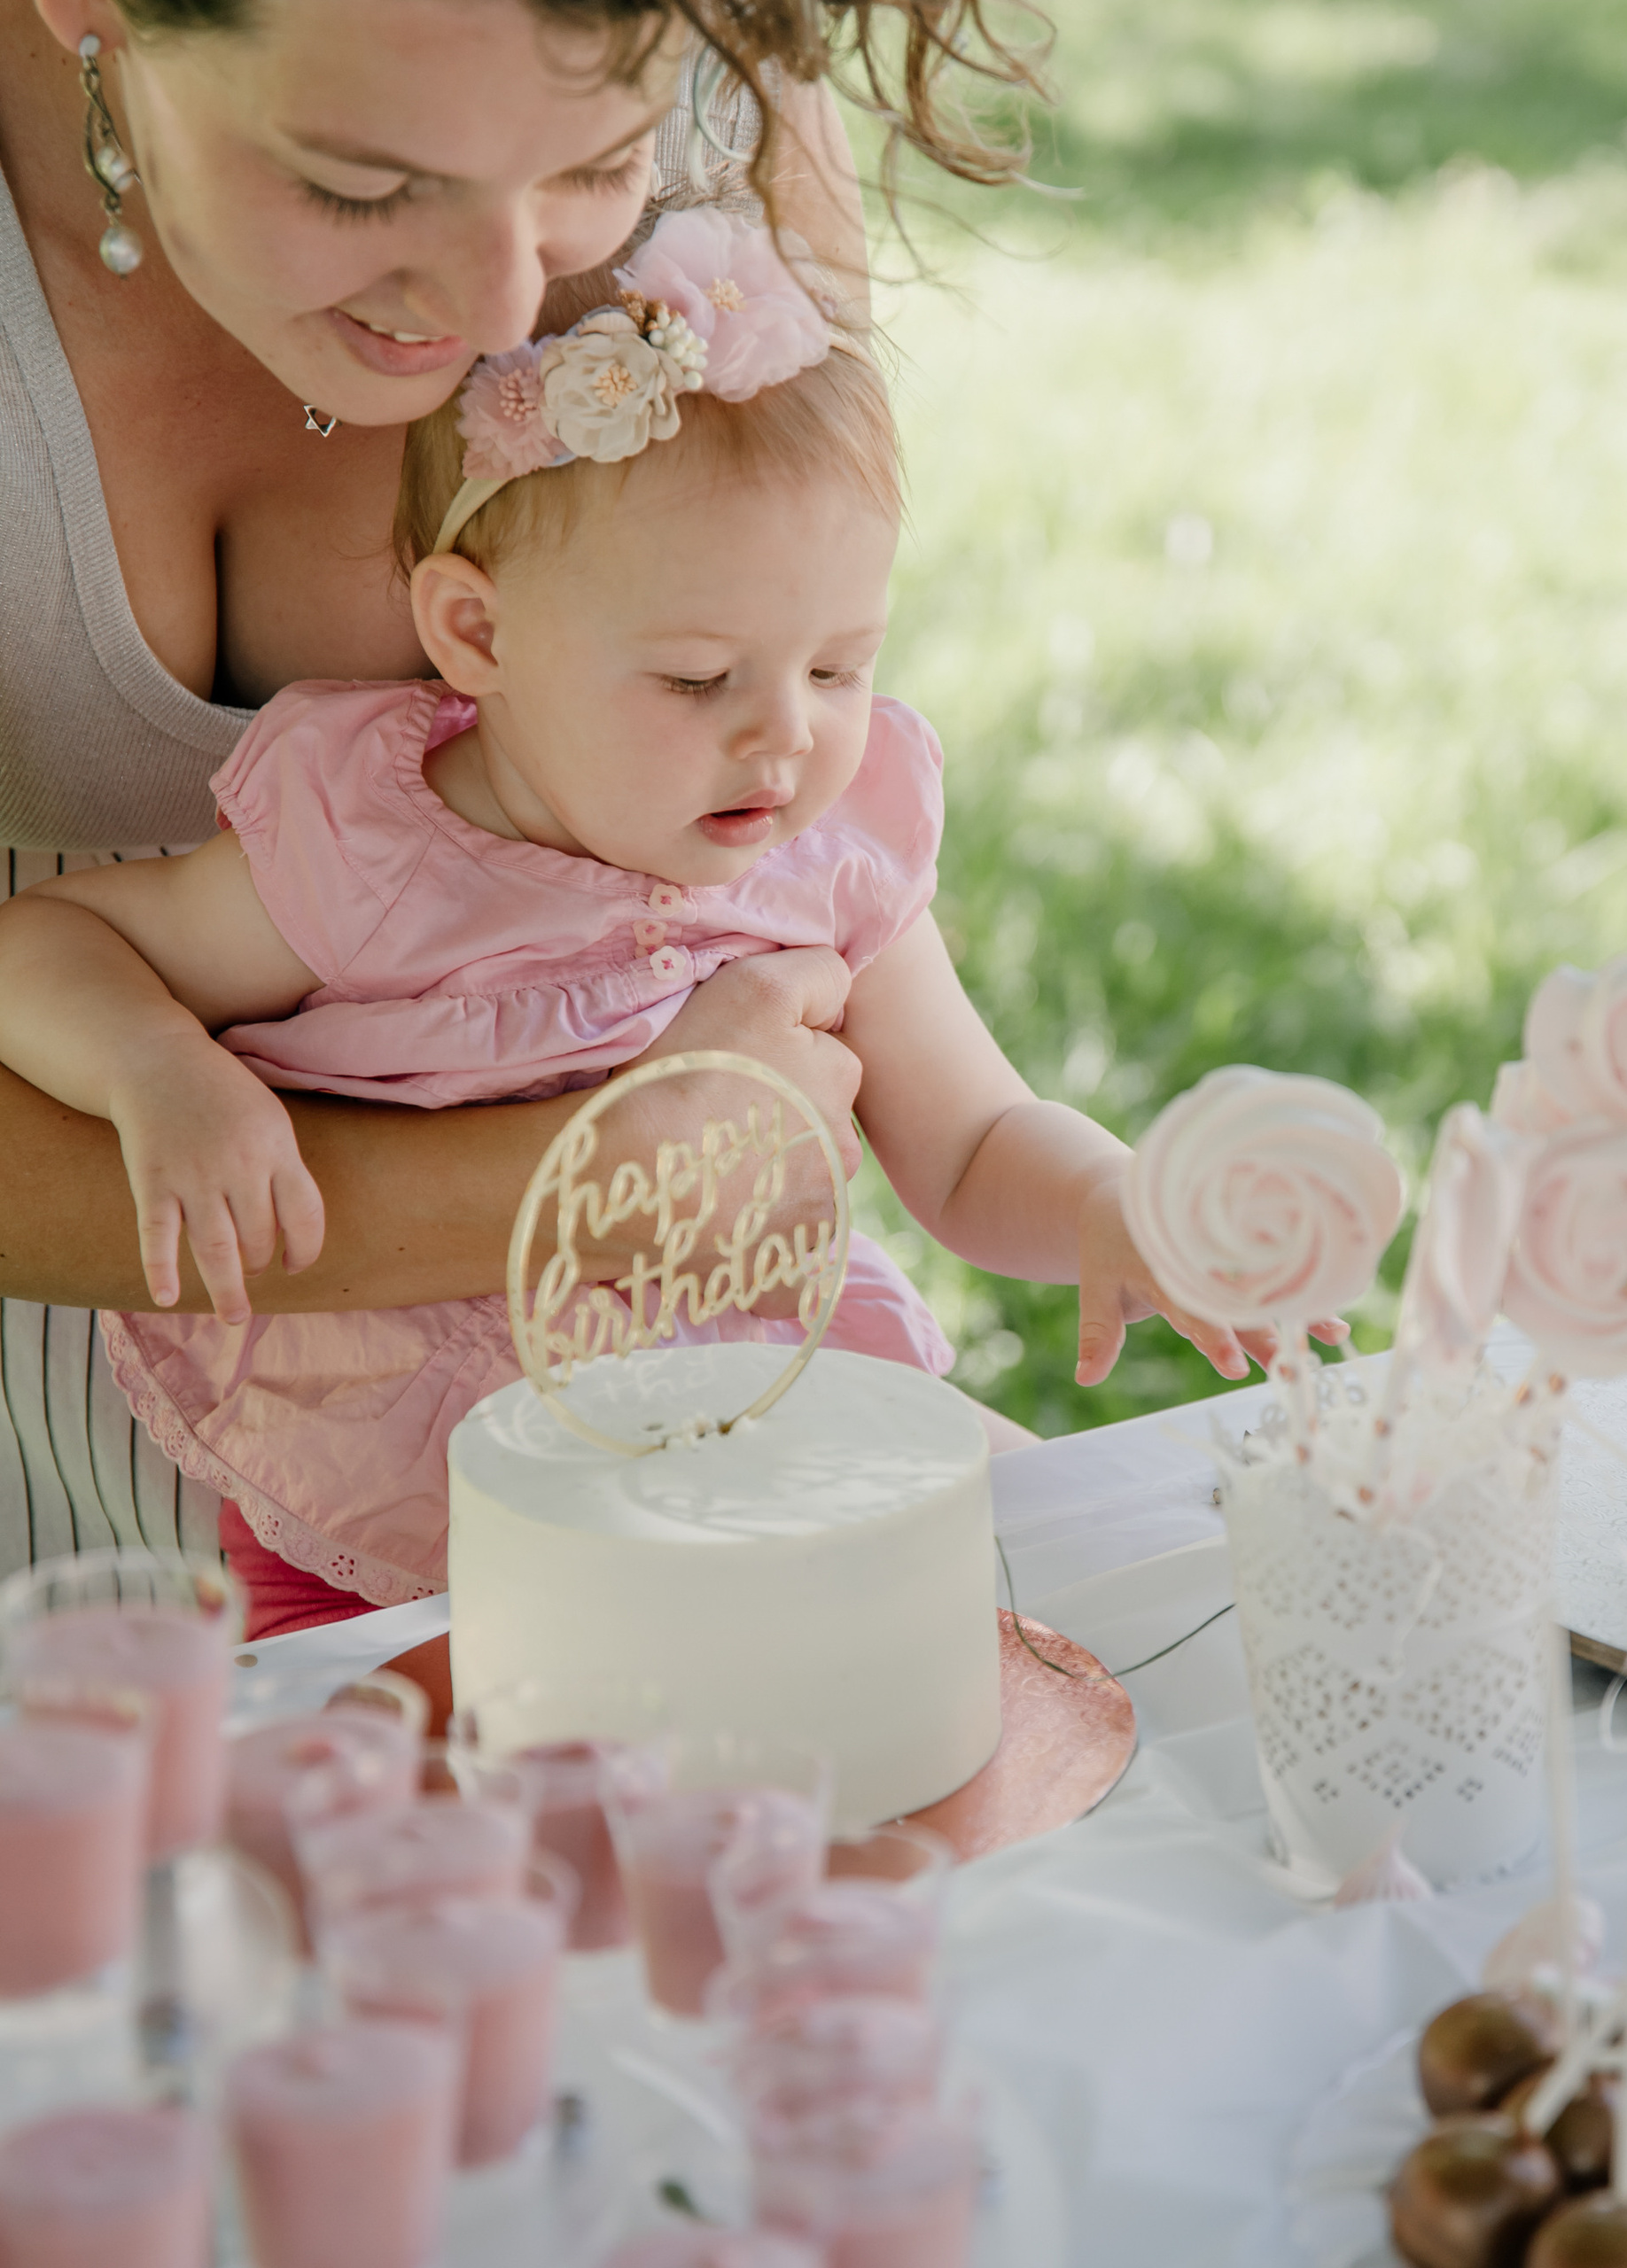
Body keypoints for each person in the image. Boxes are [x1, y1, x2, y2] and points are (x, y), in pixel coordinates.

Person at [0, 211, 1312, 1634]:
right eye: (697, 682)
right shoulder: (375, 852)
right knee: (429, 1788)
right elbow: (53, 945)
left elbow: (976, 1138)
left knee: (1067, 1609)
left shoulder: (826, 852)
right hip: (406, 1487)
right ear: (478, 636)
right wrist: (158, 1071)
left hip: (761, 1415)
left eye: (838, 665)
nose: (785, 739)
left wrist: (1109, 1203)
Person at [0, 0, 1042, 1581]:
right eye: (358, 186)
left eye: (599, 164)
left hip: (694, 1463)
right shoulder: (337, 852)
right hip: (125, 1437)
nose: (506, 304)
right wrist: (603, 1178)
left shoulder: (719, 99)